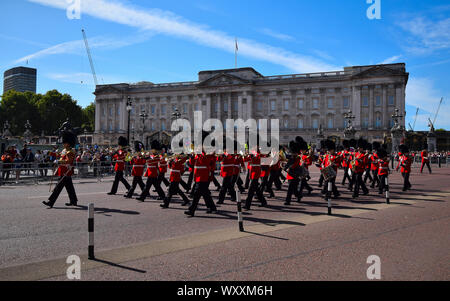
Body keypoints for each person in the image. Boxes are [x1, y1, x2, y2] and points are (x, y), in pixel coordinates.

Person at [42, 130, 79, 208]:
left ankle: (51, 202)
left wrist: (59, 161)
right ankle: (73, 201)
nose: (63, 144)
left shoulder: (71, 151)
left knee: (58, 187)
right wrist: (49, 153)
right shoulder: (64, 150)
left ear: (68, 143)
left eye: (64, 142)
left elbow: (68, 161)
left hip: (66, 172)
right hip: (63, 171)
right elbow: (58, 155)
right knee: (69, 187)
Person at [184, 148, 217, 217]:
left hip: (204, 177)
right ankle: (212, 208)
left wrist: (198, 153)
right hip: (198, 177)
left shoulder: (208, 155)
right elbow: (192, 164)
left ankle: (191, 210)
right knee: (205, 194)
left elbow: (204, 161)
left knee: (196, 194)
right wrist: (191, 157)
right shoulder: (197, 155)